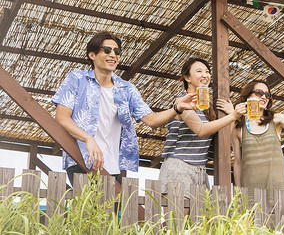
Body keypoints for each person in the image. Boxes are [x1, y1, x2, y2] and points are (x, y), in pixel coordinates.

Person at [52, 31, 195, 185]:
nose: (113, 55)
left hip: (112, 166)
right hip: (81, 159)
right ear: (92, 55)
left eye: (117, 51)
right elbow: (61, 117)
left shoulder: (126, 89)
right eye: (107, 50)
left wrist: (177, 108)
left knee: (109, 209)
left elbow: (152, 120)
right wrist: (88, 138)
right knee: (89, 209)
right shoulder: (77, 79)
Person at [158, 58, 246, 197]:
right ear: (187, 77)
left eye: (207, 72)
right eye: (199, 71)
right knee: (177, 219)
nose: (205, 75)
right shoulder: (181, 102)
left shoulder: (208, 107)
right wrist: (233, 116)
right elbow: (201, 130)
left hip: (200, 170)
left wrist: (230, 115)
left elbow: (224, 137)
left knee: (200, 219)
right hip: (179, 167)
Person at [231, 80, 284, 207]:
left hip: (278, 188)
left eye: (267, 95)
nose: (264, 97)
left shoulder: (276, 119)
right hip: (250, 190)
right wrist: (239, 191)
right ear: (247, 96)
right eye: (259, 92)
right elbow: (237, 162)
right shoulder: (238, 127)